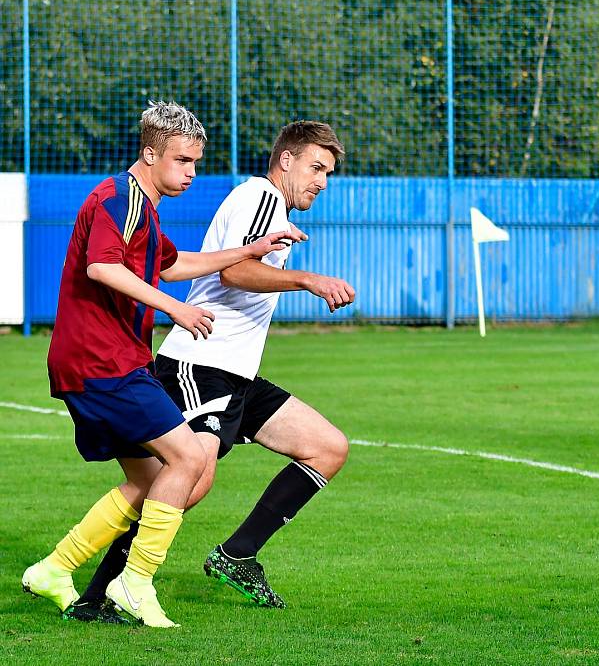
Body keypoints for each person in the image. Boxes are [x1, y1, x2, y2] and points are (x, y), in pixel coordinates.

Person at [58, 120, 355, 622]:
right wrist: (307, 279)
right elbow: (234, 273)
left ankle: (237, 555)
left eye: (328, 172)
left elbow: (195, 264)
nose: (322, 181)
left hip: (234, 371)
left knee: (327, 448)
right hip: (202, 364)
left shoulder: (272, 206)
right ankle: (99, 593)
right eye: (316, 167)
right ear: (287, 160)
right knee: (187, 480)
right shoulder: (262, 196)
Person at [21, 101, 297, 628]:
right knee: (190, 460)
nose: (192, 173)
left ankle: (56, 569)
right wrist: (176, 309)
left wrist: (252, 249)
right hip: (102, 362)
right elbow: (101, 267)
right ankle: (135, 582)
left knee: (150, 481)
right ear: (151, 154)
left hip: (115, 361)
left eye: (196, 162)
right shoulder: (119, 197)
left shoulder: (144, 210)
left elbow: (175, 265)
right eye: (183, 161)